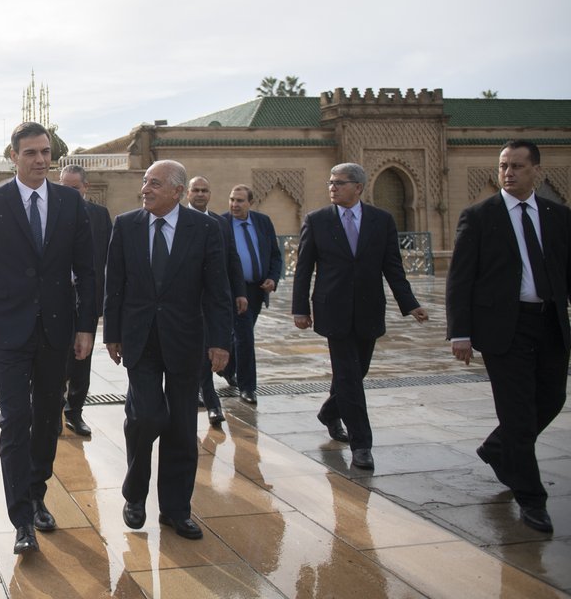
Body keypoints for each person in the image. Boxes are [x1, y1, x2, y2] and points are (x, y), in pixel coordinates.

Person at [0, 122, 96, 555]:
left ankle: (38, 492)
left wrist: (85, 327)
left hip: (56, 330)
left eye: (45, 152)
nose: (40, 160)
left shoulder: (69, 204)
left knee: (47, 419)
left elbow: (87, 270)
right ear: (13, 156)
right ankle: (21, 518)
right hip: (7, 331)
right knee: (13, 420)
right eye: (31, 153)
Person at [103, 159, 231, 540]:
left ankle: (176, 510)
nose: (145, 189)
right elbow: (115, 284)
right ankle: (135, 495)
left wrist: (220, 341)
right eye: (144, 182)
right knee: (145, 417)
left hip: (185, 341)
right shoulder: (126, 226)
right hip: (140, 339)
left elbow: (217, 290)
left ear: (177, 191)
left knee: (179, 426)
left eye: (154, 183)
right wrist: (112, 333)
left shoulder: (205, 229)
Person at [446, 141, 570, 534]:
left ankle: (497, 450)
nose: (509, 172)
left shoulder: (558, 216)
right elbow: (460, 278)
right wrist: (460, 333)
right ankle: (531, 498)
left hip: (550, 322)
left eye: (517, 166)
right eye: (503, 166)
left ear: (536, 170)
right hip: (505, 329)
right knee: (517, 415)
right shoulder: (480, 216)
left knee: (551, 398)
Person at [292, 162, 428, 471]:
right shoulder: (317, 221)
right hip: (332, 309)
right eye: (330, 182)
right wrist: (300, 308)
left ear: (358, 187)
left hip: (368, 309)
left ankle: (329, 411)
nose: (333, 187)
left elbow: (393, 267)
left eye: (339, 183)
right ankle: (362, 444)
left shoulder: (381, 221)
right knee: (350, 377)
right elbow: (304, 269)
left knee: (357, 371)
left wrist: (410, 304)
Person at [186, 176, 246, 427]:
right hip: (187, 300)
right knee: (199, 353)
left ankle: (212, 398)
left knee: (212, 348)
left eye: (205, 190)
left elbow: (232, 259)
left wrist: (240, 292)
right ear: (187, 193)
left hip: (213, 300)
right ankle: (212, 403)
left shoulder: (221, 224)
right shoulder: (180, 220)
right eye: (196, 190)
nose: (200, 194)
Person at [57, 165, 111, 437]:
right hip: (55, 301)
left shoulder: (100, 216)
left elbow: (109, 260)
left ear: (86, 188)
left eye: (74, 188)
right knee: (54, 359)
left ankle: (74, 412)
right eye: (64, 187)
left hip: (87, 301)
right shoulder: (50, 212)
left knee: (81, 358)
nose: (69, 192)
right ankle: (51, 411)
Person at [220, 184, 282, 404]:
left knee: (241, 334)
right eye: (232, 200)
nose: (235, 205)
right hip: (235, 291)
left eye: (240, 200)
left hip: (257, 289)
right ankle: (248, 387)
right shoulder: (221, 223)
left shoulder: (262, 222)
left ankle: (228, 368)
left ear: (250, 202)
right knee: (245, 336)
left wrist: (273, 278)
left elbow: (275, 255)